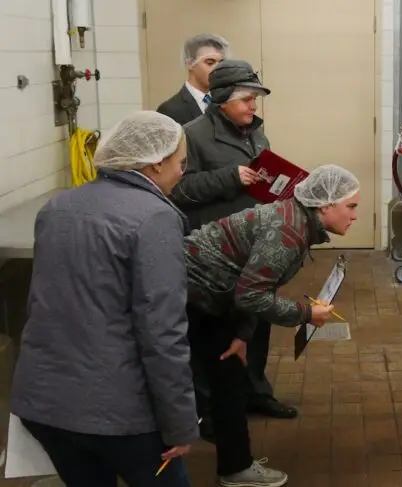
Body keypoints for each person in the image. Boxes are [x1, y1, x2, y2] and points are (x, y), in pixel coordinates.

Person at [10, 111, 198, 487]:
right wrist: (179, 425)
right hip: (118, 413)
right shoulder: (153, 217)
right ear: (156, 162)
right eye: (181, 163)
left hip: (44, 404)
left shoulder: (58, 207)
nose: (182, 173)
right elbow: (162, 334)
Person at [184, 165, 360, 487]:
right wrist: (307, 314)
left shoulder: (296, 221)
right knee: (220, 381)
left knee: (228, 378)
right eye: (351, 206)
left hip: (211, 296)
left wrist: (241, 334)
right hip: (193, 296)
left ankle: (235, 464)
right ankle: (232, 467)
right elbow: (251, 295)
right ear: (324, 205)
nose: (355, 216)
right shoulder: (288, 232)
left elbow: (255, 284)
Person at [170, 59, 294, 434]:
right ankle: (209, 410)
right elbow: (178, 189)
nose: (253, 107)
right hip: (215, 253)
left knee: (255, 322)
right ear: (222, 99)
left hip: (256, 246)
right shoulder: (191, 135)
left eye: (255, 99)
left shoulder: (256, 133)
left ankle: (255, 392)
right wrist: (229, 176)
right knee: (213, 330)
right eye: (245, 99)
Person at [157, 34, 229, 126]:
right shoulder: (170, 110)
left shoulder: (225, 103)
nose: (217, 69)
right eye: (210, 63)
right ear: (190, 63)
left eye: (221, 63)